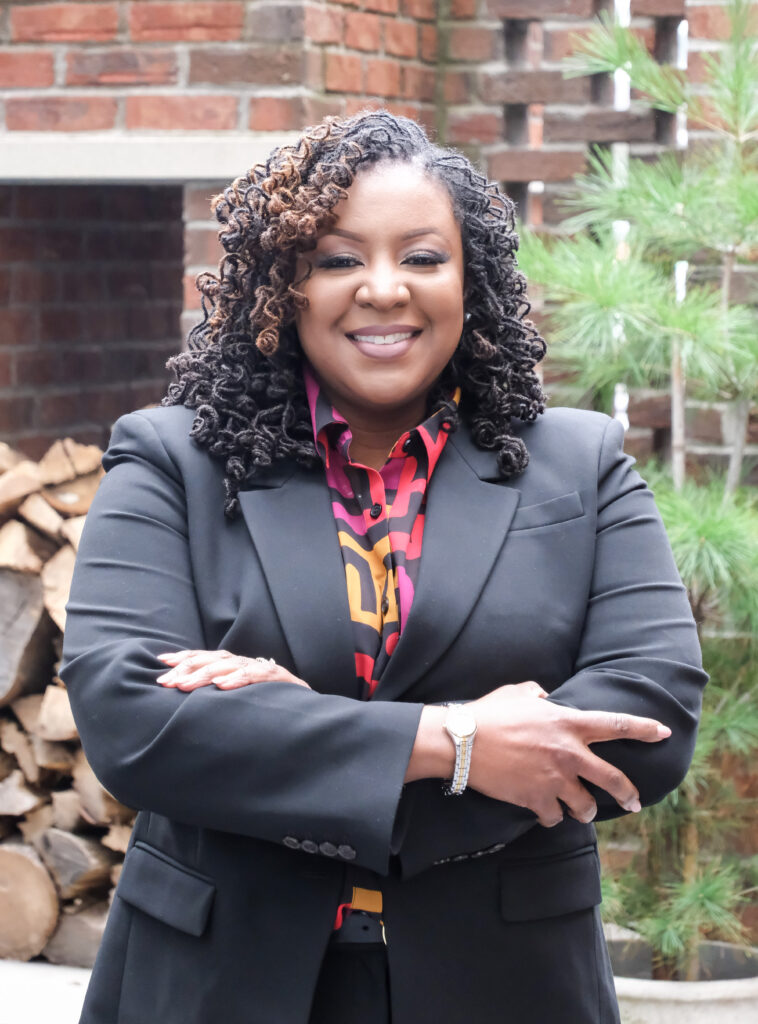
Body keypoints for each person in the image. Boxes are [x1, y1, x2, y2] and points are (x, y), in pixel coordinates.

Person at [60, 109, 707, 1024]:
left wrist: (290, 737)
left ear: (470, 280)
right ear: (283, 288)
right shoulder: (173, 461)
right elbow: (133, 721)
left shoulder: (581, 464)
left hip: (508, 986)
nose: (383, 289)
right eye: (337, 260)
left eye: (422, 257)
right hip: (221, 984)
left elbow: (650, 718)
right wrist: (461, 744)